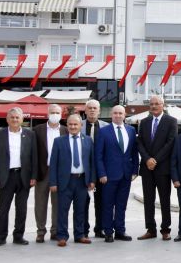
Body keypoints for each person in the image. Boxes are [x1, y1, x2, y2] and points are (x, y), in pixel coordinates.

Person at [0, 107, 37, 247]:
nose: (15, 120)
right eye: (12, 117)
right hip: (6, 176)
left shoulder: (30, 135)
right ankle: (1, 236)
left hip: (24, 176)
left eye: (17, 117)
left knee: (21, 209)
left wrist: (34, 176)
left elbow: (34, 156)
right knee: (3, 208)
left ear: (22, 119)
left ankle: (18, 236)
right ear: (7, 119)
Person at [49, 114, 95, 246]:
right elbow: (53, 163)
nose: (73, 127)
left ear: (81, 125)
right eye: (70, 124)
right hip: (65, 181)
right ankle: (62, 236)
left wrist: (92, 180)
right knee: (62, 210)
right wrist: (53, 182)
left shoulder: (88, 140)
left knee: (80, 210)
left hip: (82, 181)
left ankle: (79, 235)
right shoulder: (59, 141)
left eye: (76, 124)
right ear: (67, 125)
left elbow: (91, 162)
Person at [95, 105, 139, 242]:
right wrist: (101, 173)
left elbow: (134, 152)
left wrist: (134, 170)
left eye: (120, 113)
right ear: (111, 115)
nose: (118, 115)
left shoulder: (131, 130)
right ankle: (108, 231)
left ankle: (120, 230)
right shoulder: (103, 131)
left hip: (126, 175)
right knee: (107, 204)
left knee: (121, 204)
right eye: (115, 113)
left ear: (124, 115)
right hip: (108, 176)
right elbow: (98, 155)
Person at [136, 95, 178, 241]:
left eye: (157, 104)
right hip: (147, 168)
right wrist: (147, 159)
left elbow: (171, 142)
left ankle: (165, 229)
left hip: (163, 168)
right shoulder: (144, 122)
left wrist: (156, 159)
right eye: (151, 104)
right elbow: (139, 142)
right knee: (148, 200)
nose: (153, 106)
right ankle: (150, 229)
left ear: (163, 105)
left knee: (164, 199)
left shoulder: (171, 121)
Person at [33, 104, 66, 243]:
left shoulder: (65, 130)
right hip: (42, 171)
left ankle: (55, 231)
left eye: (57, 112)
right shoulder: (37, 129)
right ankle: (40, 231)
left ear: (61, 114)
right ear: (47, 113)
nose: (54, 114)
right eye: (52, 112)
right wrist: (33, 175)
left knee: (57, 204)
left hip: (59, 173)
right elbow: (33, 153)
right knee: (40, 203)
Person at [82, 99, 109, 238]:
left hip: (101, 172)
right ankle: (83, 230)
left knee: (101, 201)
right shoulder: (77, 125)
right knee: (83, 202)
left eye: (95, 108)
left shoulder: (106, 127)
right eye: (90, 108)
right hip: (83, 172)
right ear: (85, 110)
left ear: (99, 111)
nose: (92, 110)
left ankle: (100, 228)